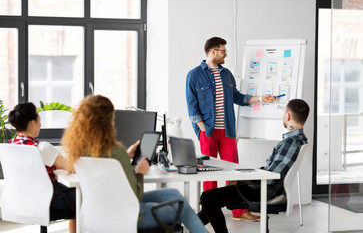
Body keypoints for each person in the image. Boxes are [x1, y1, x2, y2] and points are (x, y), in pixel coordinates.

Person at [63, 94, 209, 232]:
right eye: (112, 118)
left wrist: (126, 156)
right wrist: (140, 172)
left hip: (95, 217)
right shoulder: (116, 151)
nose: (114, 122)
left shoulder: (80, 152)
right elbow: (135, 195)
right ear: (106, 122)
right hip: (129, 218)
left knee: (174, 194)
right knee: (180, 206)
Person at [186, 36, 276, 221]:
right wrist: (202, 128)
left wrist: (261, 98)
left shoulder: (226, 74)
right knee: (209, 173)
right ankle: (210, 213)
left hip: (227, 131)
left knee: (235, 171)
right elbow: (191, 105)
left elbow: (238, 97)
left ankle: (239, 211)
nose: (226, 54)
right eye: (223, 51)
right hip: (208, 132)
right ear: (212, 51)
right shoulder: (194, 75)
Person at [198, 99, 310, 233]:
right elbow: (272, 171)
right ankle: (186, 227)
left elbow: (271, 177)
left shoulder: (290, 143)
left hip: (262, 190)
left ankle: (188, 226)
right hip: (263, 187)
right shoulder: (298, 140)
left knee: (208, 198)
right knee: (212, 199)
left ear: (288, 116)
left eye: (284, 113)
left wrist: (240, 180)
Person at [8, 102, 76, 233]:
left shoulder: (11, 146)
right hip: (47, 203)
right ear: (32, 123)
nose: (41, 123)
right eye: (39, 119)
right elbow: (71, 168)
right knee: (83, 199)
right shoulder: (42, 148)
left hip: (22, 201)